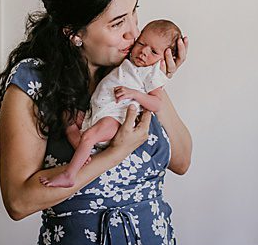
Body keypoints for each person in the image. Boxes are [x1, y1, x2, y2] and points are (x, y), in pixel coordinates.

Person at [0, 0, 192, 245]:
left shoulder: (133, 72)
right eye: (117, 23)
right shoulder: (34, 82)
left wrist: (156, 81)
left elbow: (181, 161)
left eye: (134, 13)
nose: (134, 33)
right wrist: (115, 153)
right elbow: (18, 201)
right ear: (74, 33)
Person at [41, 18, 184, 189]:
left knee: (89, 137)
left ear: (165, 58)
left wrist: (136, 94)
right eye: (141, 43)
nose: (144, 52)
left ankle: (70, 174)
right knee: (69, 118)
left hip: (114, 117)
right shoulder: (126, 59)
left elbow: (156, 104)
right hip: (98, 111)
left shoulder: (152, 74)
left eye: (154, 51)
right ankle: (83, 152)